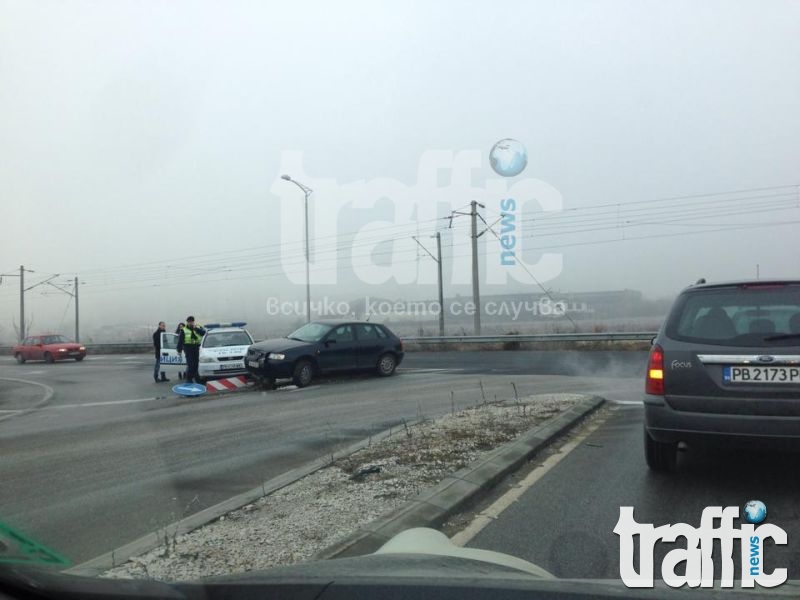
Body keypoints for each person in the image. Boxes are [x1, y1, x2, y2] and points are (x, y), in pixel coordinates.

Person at [177, 316, 206, 384]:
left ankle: (197, 378)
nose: (190, 323)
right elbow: (180, 340)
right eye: (189, 322)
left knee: (196, 364)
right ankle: (189, 379)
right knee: (190, 364)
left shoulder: (198, 327)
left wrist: (195, 328)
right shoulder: (183, 330)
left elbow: (203, 333)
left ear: (193, 322)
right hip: (188, 348)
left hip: (196, 347)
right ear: (187, 322)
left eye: (191, 321)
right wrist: (179, 350)